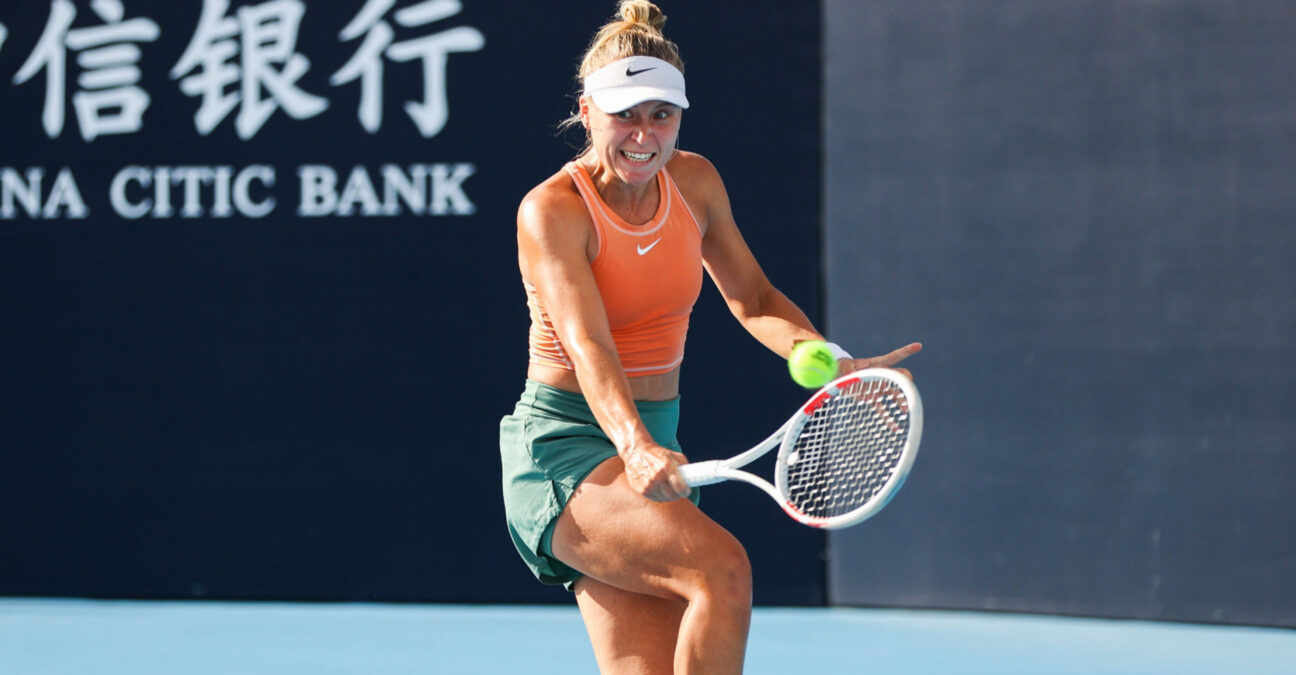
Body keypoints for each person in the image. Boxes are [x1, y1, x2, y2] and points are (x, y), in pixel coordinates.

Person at [499, 2, 921, 672]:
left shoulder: (696, 182)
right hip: (568, 452)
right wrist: (633, 444)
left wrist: (823, 356)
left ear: (680, 119)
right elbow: (589, 345)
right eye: (625, 114)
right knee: (722, 569)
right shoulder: (552, 210)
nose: (643, 133)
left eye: (660, 115)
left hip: (653, 444)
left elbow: (753, 298)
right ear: (587, 113)